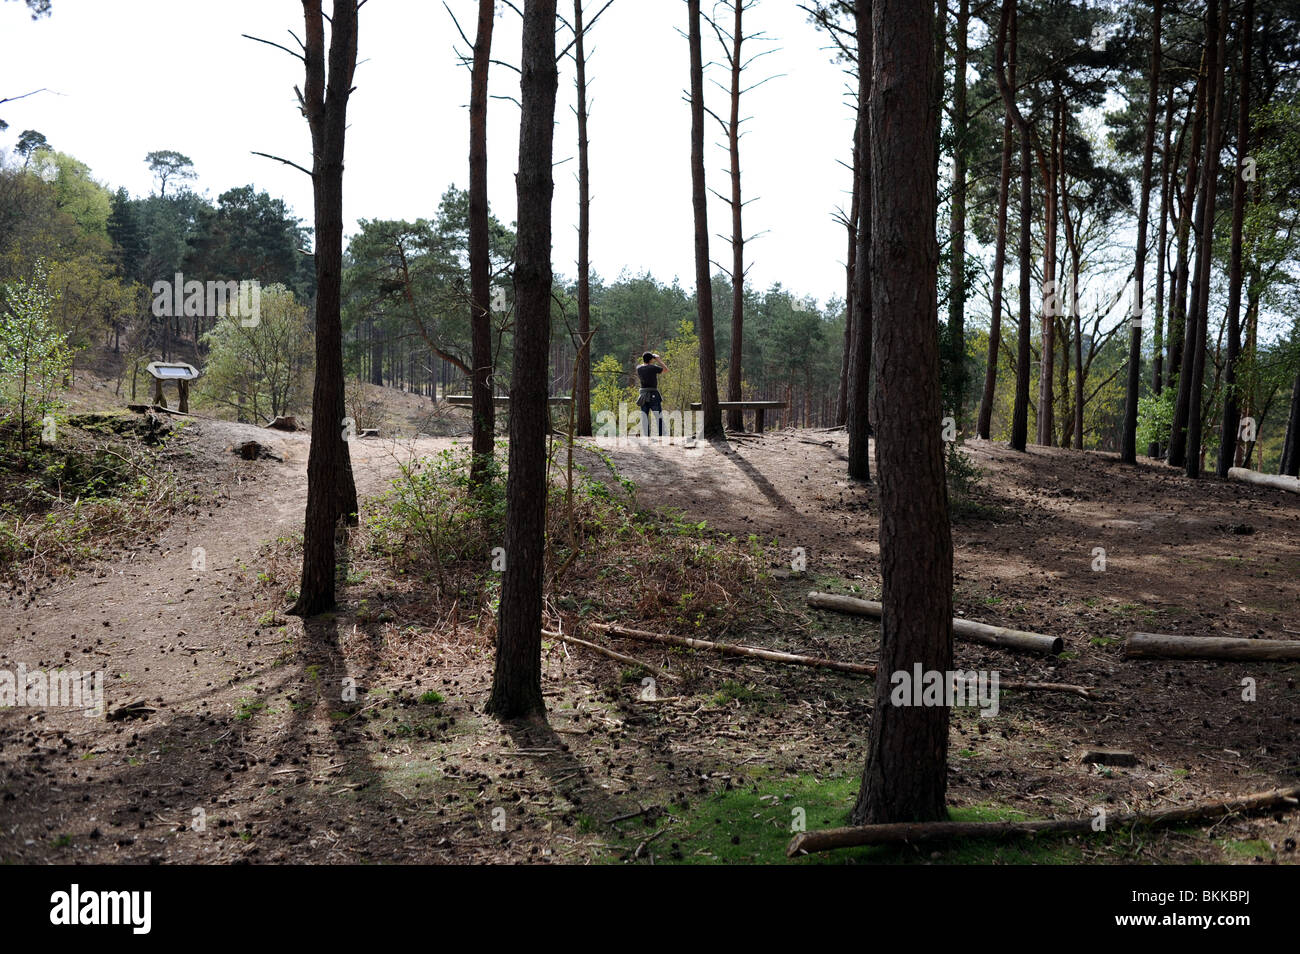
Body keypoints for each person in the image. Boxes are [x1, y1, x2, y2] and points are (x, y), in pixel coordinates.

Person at [635, 351, 667, 437]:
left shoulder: (638, 368)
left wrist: (650, 358)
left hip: (643, 395)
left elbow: (643, 364)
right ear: (651, 359)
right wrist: (658, 360)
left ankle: (646, 436)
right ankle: (662, 435)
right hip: (653, 394)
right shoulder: (653, 367)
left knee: (644, 417)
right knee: (658, 416)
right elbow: (665, 370)